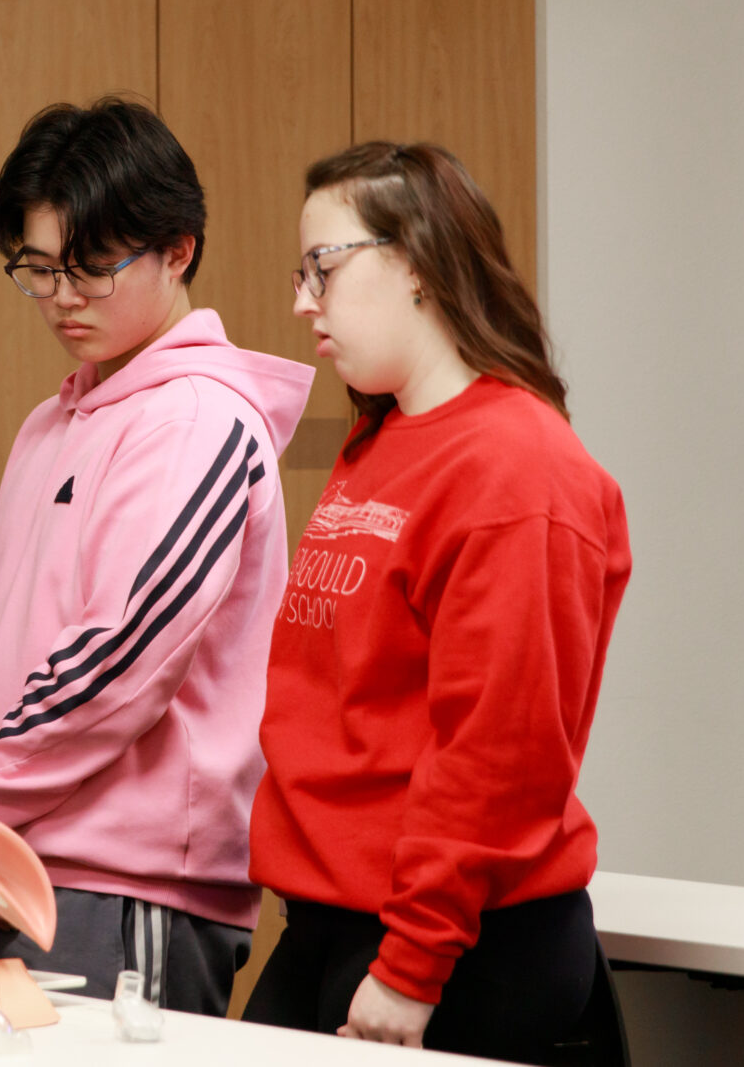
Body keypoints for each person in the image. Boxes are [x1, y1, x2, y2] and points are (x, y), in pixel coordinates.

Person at [0, 97, 314, 1015]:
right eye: (39, 268)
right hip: (19, 849)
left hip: (130, 886)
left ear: (178, 250)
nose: (63, 296)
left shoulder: (198, 419)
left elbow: (119, 662)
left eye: (93, 266)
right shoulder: (51, 422)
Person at [241, 141, 630, 1062]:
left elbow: (501, 752)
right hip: (338, 919)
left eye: (323, 268)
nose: (303, 302)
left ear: (415, 261)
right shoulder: (380, 440)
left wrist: (415, 962)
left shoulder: (517, 467)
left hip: (454, 944)